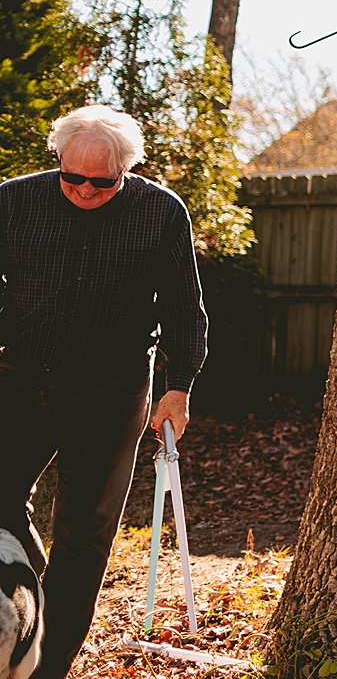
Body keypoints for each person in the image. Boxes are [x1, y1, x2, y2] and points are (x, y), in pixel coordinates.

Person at [0, 104, 207, 678]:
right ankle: (34, 593)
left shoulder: (161, 212)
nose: (86, 189)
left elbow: (184, 310)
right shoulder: (12, 201)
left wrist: (178, 387)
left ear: (126, 169)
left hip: (110, 392)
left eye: (103, 180)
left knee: (85, 538)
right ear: (57, 160)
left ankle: (45, 668)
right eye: (73, 176)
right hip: (17, 378)